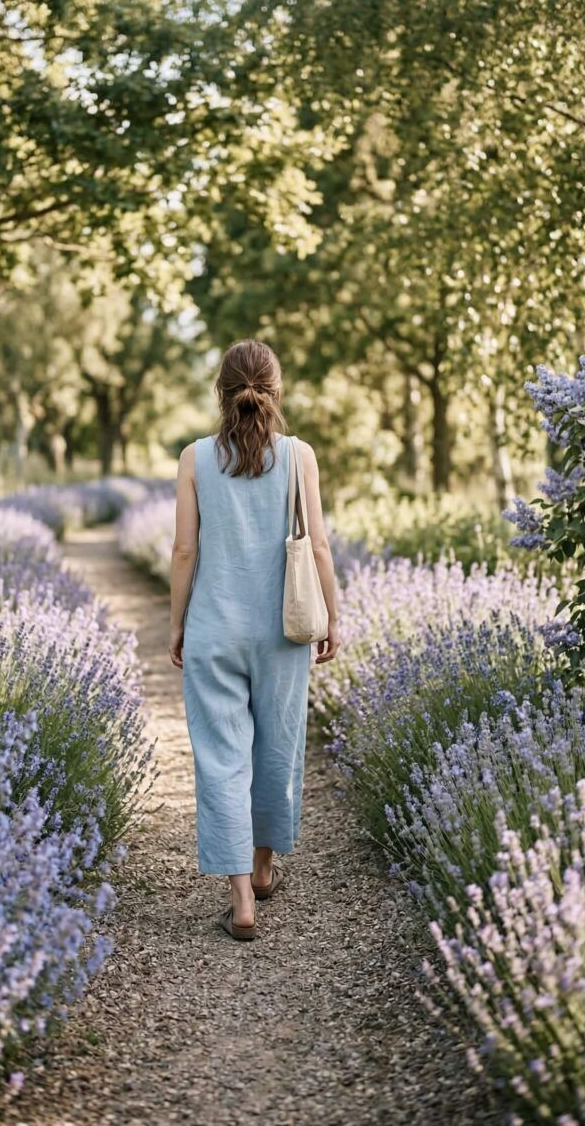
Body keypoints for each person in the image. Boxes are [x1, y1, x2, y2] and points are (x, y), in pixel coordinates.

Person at [168, 338, 340, 941]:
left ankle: (241, 900)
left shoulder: (193, 458)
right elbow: (318, 545)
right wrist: (334, 616)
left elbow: (185, 549)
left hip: (214, 631)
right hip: (282, 633)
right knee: (277, 748)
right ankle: (266, 870)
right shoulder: (300, 457)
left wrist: (177, 624)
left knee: (222, 759)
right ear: (277, 389)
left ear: (221, 392)